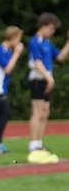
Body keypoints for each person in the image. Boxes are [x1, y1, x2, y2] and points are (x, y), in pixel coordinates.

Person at [27, 12, 69, 155]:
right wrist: (48, 77)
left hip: (46, 79)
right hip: (38, 79)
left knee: (45, 112)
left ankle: (39, 143)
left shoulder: (47, 43)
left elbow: (60, 57)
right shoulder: (34, 41)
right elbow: (37, 62)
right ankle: (32, 144)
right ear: (42, 26)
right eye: (50, 29)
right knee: (37, 112)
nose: (52, 32)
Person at [0, 26, 24, 154]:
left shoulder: (6, 50)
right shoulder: (0, 50)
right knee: (5, 113)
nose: (19, 42)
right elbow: (7, 69)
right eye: (18, 39)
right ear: (12, 38)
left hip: (0, 87)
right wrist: (17, 53)